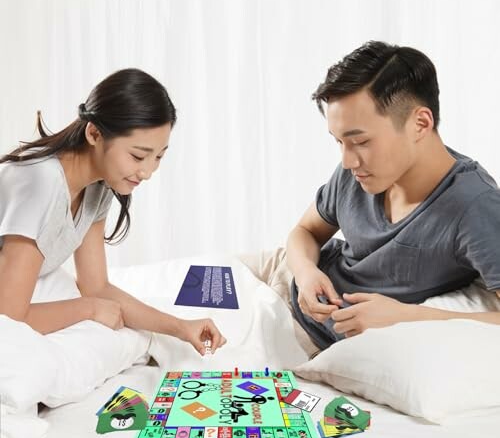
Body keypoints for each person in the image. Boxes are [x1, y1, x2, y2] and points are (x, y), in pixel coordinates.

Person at [240, 40, 500, 356]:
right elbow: (304, 231)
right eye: (339, 142)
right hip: (285, 272)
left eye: (360, 141)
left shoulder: (475, 207)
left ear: (420, 124)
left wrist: (407, 317)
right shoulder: (357, 172)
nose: (347, 162)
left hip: (307, 334)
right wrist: (307, 273)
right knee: (176, 289)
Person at [0, 68, 226, 356]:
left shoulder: (99, 187)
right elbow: (8, 319)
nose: (147, 171)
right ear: (94, 133)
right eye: (137, 155)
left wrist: (181, 328)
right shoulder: (40, 182)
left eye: (158, 157)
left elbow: (96, 286)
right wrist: (87, 308)